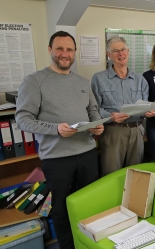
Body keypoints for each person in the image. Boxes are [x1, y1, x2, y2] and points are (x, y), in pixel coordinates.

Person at [15, 31, 104, 249]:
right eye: (59, 49)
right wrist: (55, 129)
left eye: (69, 49)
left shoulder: (83, 82)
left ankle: (87, 244)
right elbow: (22, 119)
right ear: (50, 50)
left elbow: (92, 111)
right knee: (61, 209)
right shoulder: (34, 81)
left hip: (87, 153)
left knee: (87, 204)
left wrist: (97, 125)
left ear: (74, 53)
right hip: (57, 158)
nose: (65, 54)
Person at [91, 37, 155, 176]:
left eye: (123, 50)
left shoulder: (140, 80)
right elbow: (94, 109)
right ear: (109, 55)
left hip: (137, 131)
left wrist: (148, 112)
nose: (121, 54)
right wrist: (110, 116)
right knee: (111, 173)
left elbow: (144, 107)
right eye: (116, 51)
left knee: (135, 174)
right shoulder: (99, 79)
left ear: (128, 51)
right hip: (113, 131)